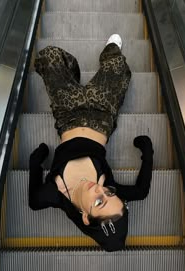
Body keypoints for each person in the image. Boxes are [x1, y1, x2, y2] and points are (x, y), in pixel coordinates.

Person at [29, 34, 154, 251]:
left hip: (68, 115)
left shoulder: (52, 195)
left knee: (48, 56)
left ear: (86, 218)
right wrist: (147, 151)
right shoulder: (106, 187)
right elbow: (141, 191)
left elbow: (33, 201)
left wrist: (36, 162)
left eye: (99, 202)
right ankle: (106, 53)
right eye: (109, 193)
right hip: (102, 114)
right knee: (118, 66)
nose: (100, 189)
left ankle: (71, 80)